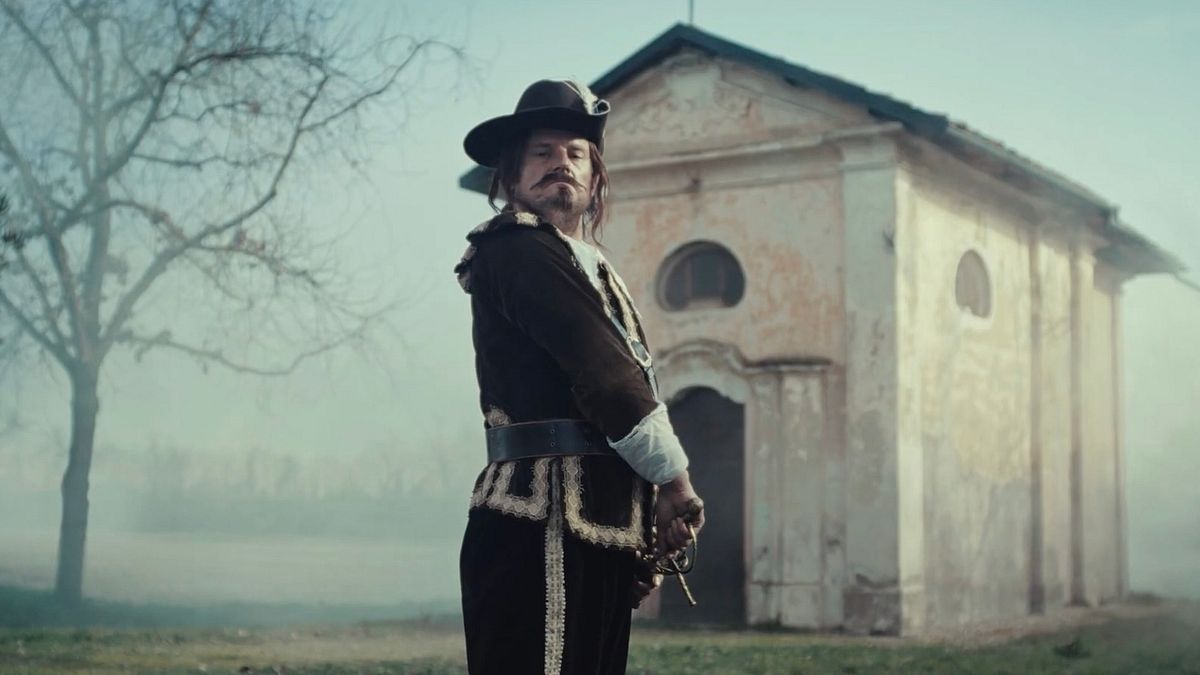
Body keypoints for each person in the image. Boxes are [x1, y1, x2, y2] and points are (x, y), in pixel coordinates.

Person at [453, 79, 706, 675]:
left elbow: (624, 387)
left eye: (575, 154)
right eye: (541, 152)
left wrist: (644, 515)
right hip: (533, 526)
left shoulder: (591, 266)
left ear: (594, 177)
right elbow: (607, 376)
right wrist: (675, 483)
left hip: (593, 527)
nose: (560, 164)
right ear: (511, 177)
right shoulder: (516, 247)